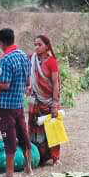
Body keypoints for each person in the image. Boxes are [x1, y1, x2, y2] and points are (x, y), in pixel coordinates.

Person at [0, 28, 34, 177]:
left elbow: (5, 84)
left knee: (9, 138)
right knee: (23, 135)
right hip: (18, 104)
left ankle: (9, 172)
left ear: (2, 42)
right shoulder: (24, 56)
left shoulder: (5, 59)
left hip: (6, 105)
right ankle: (28, 168)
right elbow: (28, 82)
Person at [28, 34, 62, 166]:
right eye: (35, 44)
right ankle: (39, 156)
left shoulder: (52, 62)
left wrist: (55, 102)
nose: (36, 47)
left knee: (53, 128)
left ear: (47, 46)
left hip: (49, 101)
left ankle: (55, 157)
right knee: (35, 128)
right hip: (36, 100)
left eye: (39, 44)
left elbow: (55, 83)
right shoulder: (32, 60)